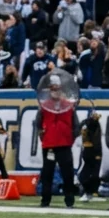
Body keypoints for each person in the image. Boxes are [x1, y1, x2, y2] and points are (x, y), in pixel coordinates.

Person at [37, 76, 79, 209]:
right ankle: (45, 200)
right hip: (49, 144)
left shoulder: (68, 105)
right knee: (47, 173)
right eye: (52, 88)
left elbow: (75, 125)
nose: (54, 90)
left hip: (65, 143)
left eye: (57, 88)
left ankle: (69, 200)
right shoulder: (44, 106)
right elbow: (38, 124)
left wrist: (71, 137)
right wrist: (43, 136)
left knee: (67, 174)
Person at [79, 110, 104, 203]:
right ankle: (87, 191)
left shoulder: (91, 124)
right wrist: (97, 153)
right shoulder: (89, 124)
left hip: (91, 149)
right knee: (88, 172)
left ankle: (91, 191)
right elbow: (94, 139)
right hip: (89, 149)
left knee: (93, 172)